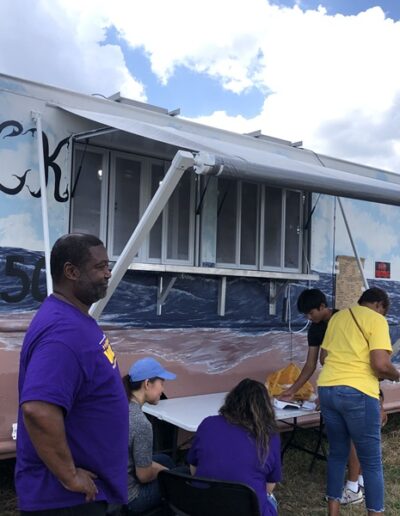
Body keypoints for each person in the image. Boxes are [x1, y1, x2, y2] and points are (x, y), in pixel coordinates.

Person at [15, 233, 128, 515]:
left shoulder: (73, 318)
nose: (108, 273)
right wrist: (69, 476)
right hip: (65, 500)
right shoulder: (62, 332)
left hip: (78, 496)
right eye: (99, 267)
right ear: (71, 272)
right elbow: (38, 409)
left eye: (108, 265)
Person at [318, 287, 400, 516]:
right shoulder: (377, 320)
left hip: (327, 389)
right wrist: (397, 375)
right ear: (378, 305)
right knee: (371, 462)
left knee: (337, 454)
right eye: (382, 312)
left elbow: (324, 357)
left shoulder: (337, 317)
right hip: (358, 392)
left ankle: (332, 512)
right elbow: (380, 364)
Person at [279, 288, 363, 505]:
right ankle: (355, 482)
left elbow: (346, 356)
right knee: (342, 436)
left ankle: (354, 486)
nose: (309, 318)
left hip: (352, 383)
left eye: (311, 313)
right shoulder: (315, 329)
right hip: (332, 386)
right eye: (305, 315)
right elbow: (310, 364)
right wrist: (293, 390)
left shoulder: (344, 319)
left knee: (352, 436)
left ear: (323, 306)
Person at [188, 378, 282, 516]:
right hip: (248, 508)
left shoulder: (208, 424)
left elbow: (193, 469)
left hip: (203, 506)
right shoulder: (270, 436)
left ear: (231, 400)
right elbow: (269, 487)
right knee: (271, 500)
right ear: (266, 407)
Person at [123, 357, 177, 515]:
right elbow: (144, 476)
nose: (162, 390)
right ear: (147, 384)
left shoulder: (122, 406)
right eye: (162, 383)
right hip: (130, 497)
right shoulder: (141, 424)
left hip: (114, 479)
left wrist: (161, 468)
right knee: (180, 476)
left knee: (165, 460)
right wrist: (165, 472)